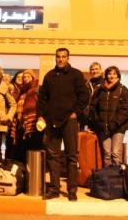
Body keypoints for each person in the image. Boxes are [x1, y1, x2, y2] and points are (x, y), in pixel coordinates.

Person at [37, 48, 89, 202]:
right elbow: (42, 98)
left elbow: (84, 96)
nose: (60, 59)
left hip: (70, 121)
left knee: (71, 156)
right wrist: (43, 116)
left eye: (63, 57)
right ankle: (54, 189)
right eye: (58, 57)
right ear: (55, 58)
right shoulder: (49, 76)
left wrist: (76, 113)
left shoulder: (76, 75)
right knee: (53, 157)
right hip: (52, 121)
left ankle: (72, 190)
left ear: (68, 58)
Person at [89, 66, 128, 167]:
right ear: (106, 75)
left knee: (115, 154)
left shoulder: (123, 89)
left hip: (118, 127)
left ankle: (117, 178)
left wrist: (116, 122)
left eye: (114, 74)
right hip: (103, 127)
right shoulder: (100, 90)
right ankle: (108, 178)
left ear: (118, 75)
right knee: (107, 154)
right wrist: (98, 121)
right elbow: (93, 107)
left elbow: (127, 108)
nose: (111, 76)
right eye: (109, 73)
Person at [8, 69, 43, 164]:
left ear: (32, 77)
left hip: (34, 124)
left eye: (28, 76)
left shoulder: (37, 88)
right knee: (23, 149)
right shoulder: (22, 91)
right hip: (22, 125)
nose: (26, 79)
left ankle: (34, 173)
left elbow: (42, 104)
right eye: (24, 77)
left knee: (33, 149)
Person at [5, 70, 23, 160]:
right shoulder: (10, 88)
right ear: (15, 78)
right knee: (10, 143)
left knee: (20, 144)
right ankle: (8, 164)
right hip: (11, 120)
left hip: (21, 121)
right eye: (18, 77)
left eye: (21, 77)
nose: (20, 79)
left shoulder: (25, 89)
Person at [83, 62, 104, 130]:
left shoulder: (106, 84)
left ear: (101, 70)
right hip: (88, 118)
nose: (94, 71)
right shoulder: (87, 85)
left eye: (96, 69)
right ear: (90, 72)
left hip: (101, 118)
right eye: (92, 69)